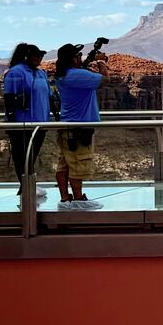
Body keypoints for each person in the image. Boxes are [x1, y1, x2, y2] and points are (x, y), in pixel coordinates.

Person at [53, 42, 107, 210]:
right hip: (79, 128)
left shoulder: (65, 75)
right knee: (78, 163)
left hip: (68, 126)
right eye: (78, 56)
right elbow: (104, 80)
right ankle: (78, 199)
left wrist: (85, 68)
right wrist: (101, 62)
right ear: (72, 59)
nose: (80, 58)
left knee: (65, 163)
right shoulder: (75, 76)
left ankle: (65, 199)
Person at [0, 43, 50, 186]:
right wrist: (12, 122)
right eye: (35, 56)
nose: (39, 58)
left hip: (41, 123)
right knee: (22, 158)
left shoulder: (41, 73)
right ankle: (26, 187)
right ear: (26, 56)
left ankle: (28, 186)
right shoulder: (16, 72)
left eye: (41, 56)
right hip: (22, 123)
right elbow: (9, 97)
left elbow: (48, 96)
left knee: (31, 157)